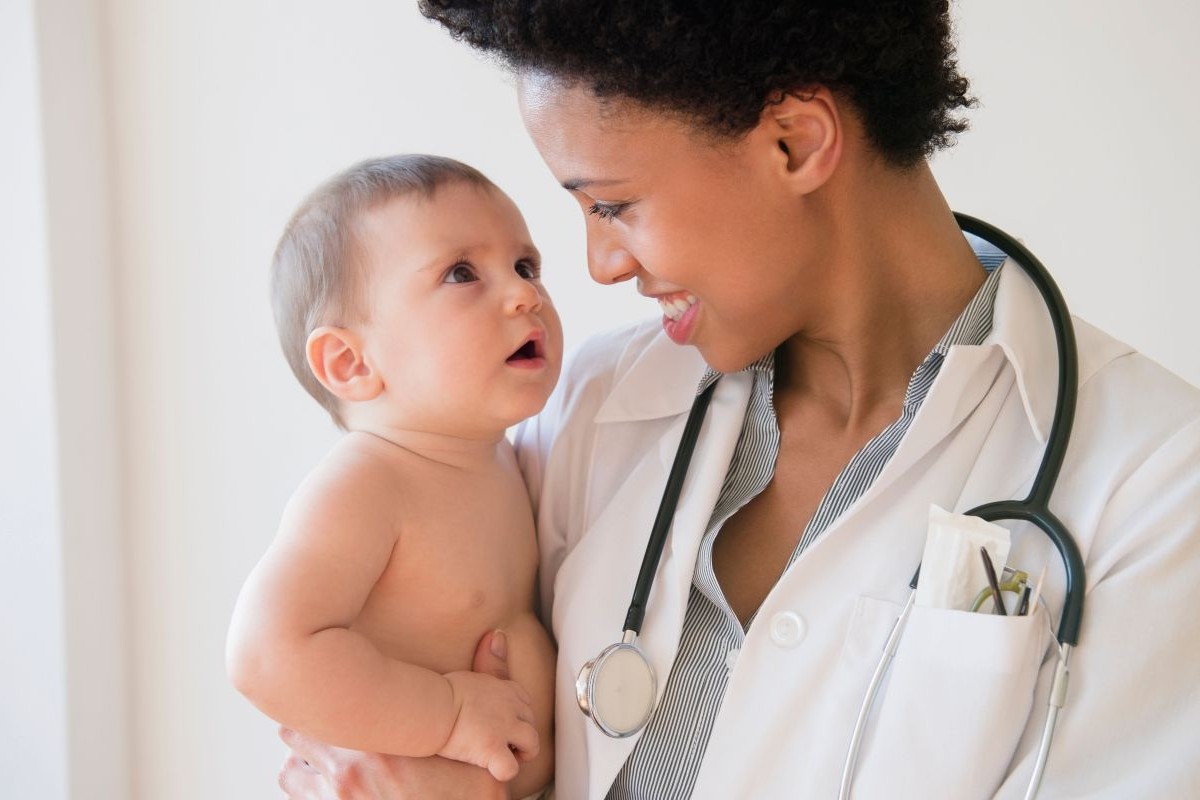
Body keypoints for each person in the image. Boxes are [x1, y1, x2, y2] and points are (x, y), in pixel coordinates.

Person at [279, 3, 1200, 798]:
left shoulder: (1155, 480)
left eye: (613, 205)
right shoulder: (590, 410)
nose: (600, 263)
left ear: (794, 143)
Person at [226, 154, 559, 800]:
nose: (527, 294)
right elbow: (266, 654)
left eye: (525, 266)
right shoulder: (366, 485)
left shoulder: (511, 460)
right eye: (462, 273)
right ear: (350, 363)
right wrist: (449, 714)